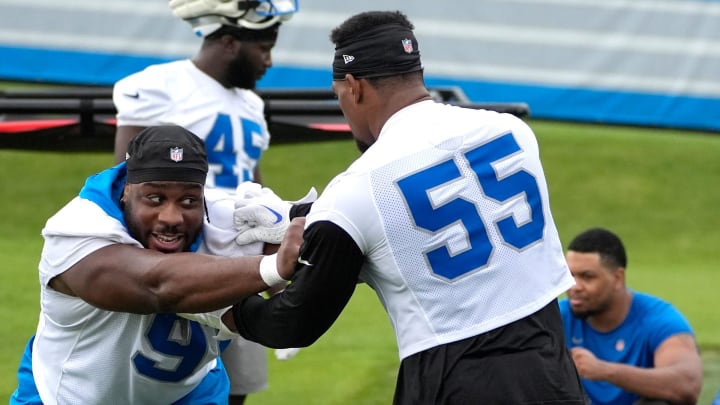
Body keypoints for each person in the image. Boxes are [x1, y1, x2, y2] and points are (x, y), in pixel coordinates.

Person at [228, 10, 587, 404]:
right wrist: (306, 217)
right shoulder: (512, 131)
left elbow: (292, 323)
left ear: (354, 86)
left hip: (451, 379)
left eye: (339, 97)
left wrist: (224, 308)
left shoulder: (354, 190)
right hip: (553, 369)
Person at [10, 125, 304, 404]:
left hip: (190, 392)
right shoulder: (78, 229)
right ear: (126, 192)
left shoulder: (229, 220)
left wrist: (312, 230)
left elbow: (333, 238)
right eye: (155, 198)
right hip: (69, 395)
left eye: (189, 201)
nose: (171, 217)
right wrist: (273, 267)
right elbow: (156, 285)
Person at [112, 2, 300, 402]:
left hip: (241, 265)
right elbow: (124, 180)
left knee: (234, 389)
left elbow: (253, 187)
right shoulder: (162, 84)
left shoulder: (251, 104)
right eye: (263, 48)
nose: (269, 60)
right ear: (230, 42)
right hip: (183, 258)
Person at [559, 228, 702, 405]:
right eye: (570, 276)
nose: (574, 286)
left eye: (587, 277)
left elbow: (687, 385)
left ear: (618, 278)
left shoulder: (659, 319)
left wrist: (604, 371)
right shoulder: (556, 318)